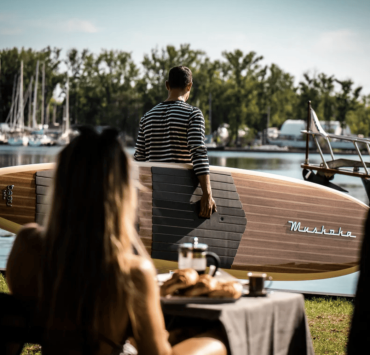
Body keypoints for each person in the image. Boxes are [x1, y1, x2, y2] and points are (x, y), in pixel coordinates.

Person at [6, 127, 227, 355]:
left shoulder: (28, 246)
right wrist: (212, 336)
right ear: (122, 193)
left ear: (61, 184)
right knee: (220, 338)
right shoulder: (132, 273)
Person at [134, 66, 216, 218]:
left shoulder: (147, 117)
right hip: (180, 192)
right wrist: (207, 193)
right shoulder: (193, 114)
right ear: (189, 86)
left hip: (154, 192)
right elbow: (198, 153)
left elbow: (139, 159)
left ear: (167, 85)